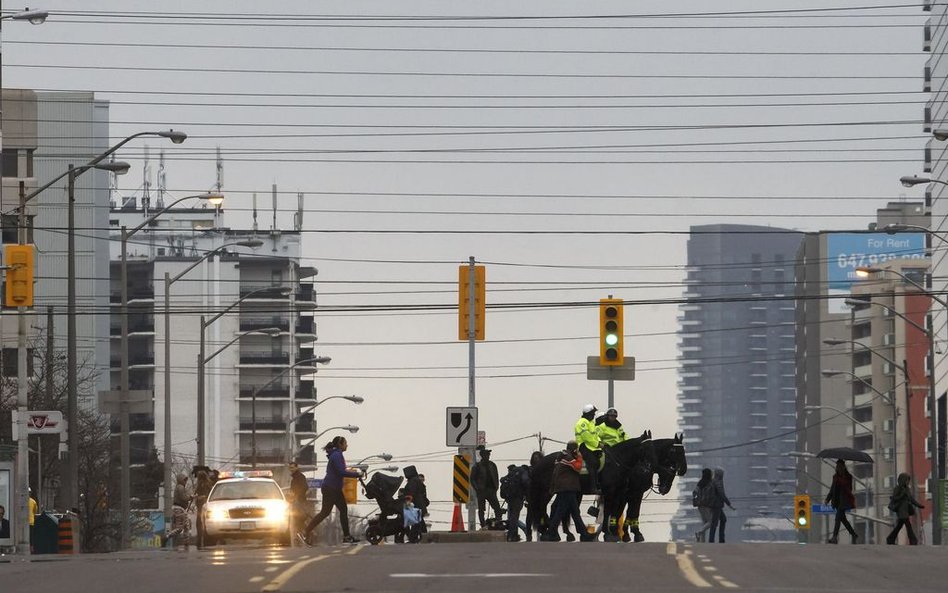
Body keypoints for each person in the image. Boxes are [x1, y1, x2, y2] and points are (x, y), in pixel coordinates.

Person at [301, 436, 363, 545]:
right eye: (345, 443)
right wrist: (357, 474)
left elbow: (340, 471)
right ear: (340, 444)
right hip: (332, 488)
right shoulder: (337, 455)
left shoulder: (335, 454)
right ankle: (306, 531)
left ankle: (307, 531)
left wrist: (351, 472)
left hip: (332, 487)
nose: (347, 445)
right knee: (335, 511)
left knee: (330, 512)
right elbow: (341, 472)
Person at [541, 441, 586, 541]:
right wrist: (579, 457)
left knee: (574, 512)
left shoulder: (562, 457)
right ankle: (551, 532)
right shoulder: (568, 458)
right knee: (561, 511)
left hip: (565, 488)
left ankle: (584, 533)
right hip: (567, 488)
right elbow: (578, 467)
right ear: (574, 449)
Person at [886, 472, 924, 545]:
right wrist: (902, 495)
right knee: (908, 526)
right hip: (900, 510)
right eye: (906, 480)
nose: (907, 482)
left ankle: (890, 539)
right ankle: (913, 540)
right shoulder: (897, 488)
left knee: (899, 526)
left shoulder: (907, 489)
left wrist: (919, 505)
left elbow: (911, 499)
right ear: (903, 480)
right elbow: (894, 498)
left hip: (906, 510)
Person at [825, 459, 858, 544]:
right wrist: (827, 499)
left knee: (838, 518)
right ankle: (854, 534)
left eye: (840, 466)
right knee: (843, 519)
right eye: (837, 466)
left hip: (845, 501)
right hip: (837, 501)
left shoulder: (848, 476)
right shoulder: (835, 477)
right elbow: (832, 489)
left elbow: (850, 488)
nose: (838, 468)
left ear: (843, 467)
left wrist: (842, 481)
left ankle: (834, 537)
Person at [472, 445, 503, 528]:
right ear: (482, 456)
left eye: (488, 455)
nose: (488, 456)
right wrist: (477, 488)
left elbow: (496, 476)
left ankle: (498, 522)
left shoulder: (492, 465)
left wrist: (496, 487)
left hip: (491, 490)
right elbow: (472, 479)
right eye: (486, 455)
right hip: (481, 491)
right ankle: (483, 525)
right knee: (481, 509)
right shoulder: (477, 466)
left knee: (497, 507)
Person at [575, 404, 602, 493]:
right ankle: (592, 487)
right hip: (584, 446)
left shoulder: (591, 423)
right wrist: (597, 444)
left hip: (592, 446)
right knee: (592, 462)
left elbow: (595, 435)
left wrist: (600, 443)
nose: (594, 415)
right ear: (588, 414)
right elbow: (586, 437)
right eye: (593, 413)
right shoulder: (582, 422)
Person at [500, 463, 531, 542]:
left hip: (510, 497)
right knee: (514, 516)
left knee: (512, 517)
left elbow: (502, 479)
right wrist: (527, 496)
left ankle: (513, 535)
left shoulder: (512, 473)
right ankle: (512, 535)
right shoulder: (524, 472)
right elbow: (525, 482)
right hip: (518, 497)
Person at [707, 468, 734, 543]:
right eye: (722, 474)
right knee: (714, 523)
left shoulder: (713, 481)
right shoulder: (718, 482)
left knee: (723, 519)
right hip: (717, 505)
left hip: (715, 505)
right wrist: (729, 504)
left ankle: (721, 539)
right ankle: (712, 540)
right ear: (720, 475)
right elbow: (721, 494)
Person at [288, 462, 310, 543]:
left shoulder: (300, 477)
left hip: (300, 501)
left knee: (300, 518)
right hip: (295, 500)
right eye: (290, 468)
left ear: (297, 467)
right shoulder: (294, 478)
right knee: (297, 519)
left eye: (293, 467)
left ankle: (305, 533)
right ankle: (300, 535)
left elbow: (305, 487)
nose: (291, 469)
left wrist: (297, 495)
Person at [403, 467, 429, 533]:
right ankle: (424, 535)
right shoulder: (417, 481)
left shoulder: (412, 482)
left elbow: (410, 494)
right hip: (420, 505)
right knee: (419, 522)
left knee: (416, 523)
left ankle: (413, 538)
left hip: (415, 505)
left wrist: (408, 504)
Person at [170, 473, 192, 549]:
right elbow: (184, 498)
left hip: (180, 509)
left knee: (186, 526)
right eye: (184, 480)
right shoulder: (180, 487)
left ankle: (186, 542)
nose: (185, 482)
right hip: (179, 509)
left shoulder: (179, 487)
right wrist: (190, 497)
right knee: (180, 527)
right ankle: (167, 536)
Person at [692, 468, 713, 542]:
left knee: (704, 522)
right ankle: (699, 532)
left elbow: (694, 492)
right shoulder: (710, 483)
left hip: (700, 505)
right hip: (707, 505)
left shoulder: (700, 483)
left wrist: (696, 499)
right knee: (710, 522)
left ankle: (702, 541)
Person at [193, 469, 212, 549]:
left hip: (204, 507)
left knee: (202, 524)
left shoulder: (206, 485)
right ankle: (200, 541)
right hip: (200, 507)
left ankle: (203, 541)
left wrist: (200, 497)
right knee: (199, 524)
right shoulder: (201, 485)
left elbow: (207, 495)